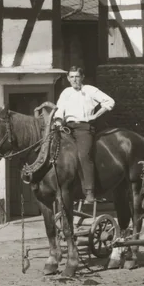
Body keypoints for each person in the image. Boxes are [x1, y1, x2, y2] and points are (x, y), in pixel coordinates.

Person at [52, 66, 115, 205]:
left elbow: (109, 101)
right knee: (58, 154)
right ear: (68, 78)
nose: (74, 80)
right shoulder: (66, 92)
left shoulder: (90, 90)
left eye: (77, 76)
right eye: (72, 77)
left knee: (83, 155)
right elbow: (59, 109)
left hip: (84, 128)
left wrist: (96, 115)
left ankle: (89, 192)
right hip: (67, 127)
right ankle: (64, 188)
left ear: (82, 77)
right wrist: (57, 121)